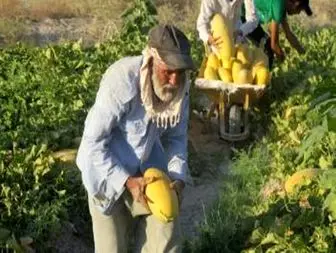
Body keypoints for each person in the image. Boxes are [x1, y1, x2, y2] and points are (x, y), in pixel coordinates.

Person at [76, 24, 194, 253]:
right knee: (112, 249)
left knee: (166, 243)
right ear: (151, 59)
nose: (174, 80)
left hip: (150, 174)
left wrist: (178, 178)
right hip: (108, 177)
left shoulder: (180, 90)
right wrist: (127, 181)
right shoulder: (122, 80)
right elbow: (93, 144)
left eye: (180, 72)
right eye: (167, 70)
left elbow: (176, 139)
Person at [245, 0, 313, 67]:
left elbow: (289, 34)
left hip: (250, 20)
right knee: (267, 45)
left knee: (266, 43)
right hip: (244, 19)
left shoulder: (282, 5)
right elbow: (274, 45)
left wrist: (303, 53)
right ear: (296, 4)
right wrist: (284, 64)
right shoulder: (278, 4)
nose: (298, 13)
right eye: (299, 10)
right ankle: (269, 75)